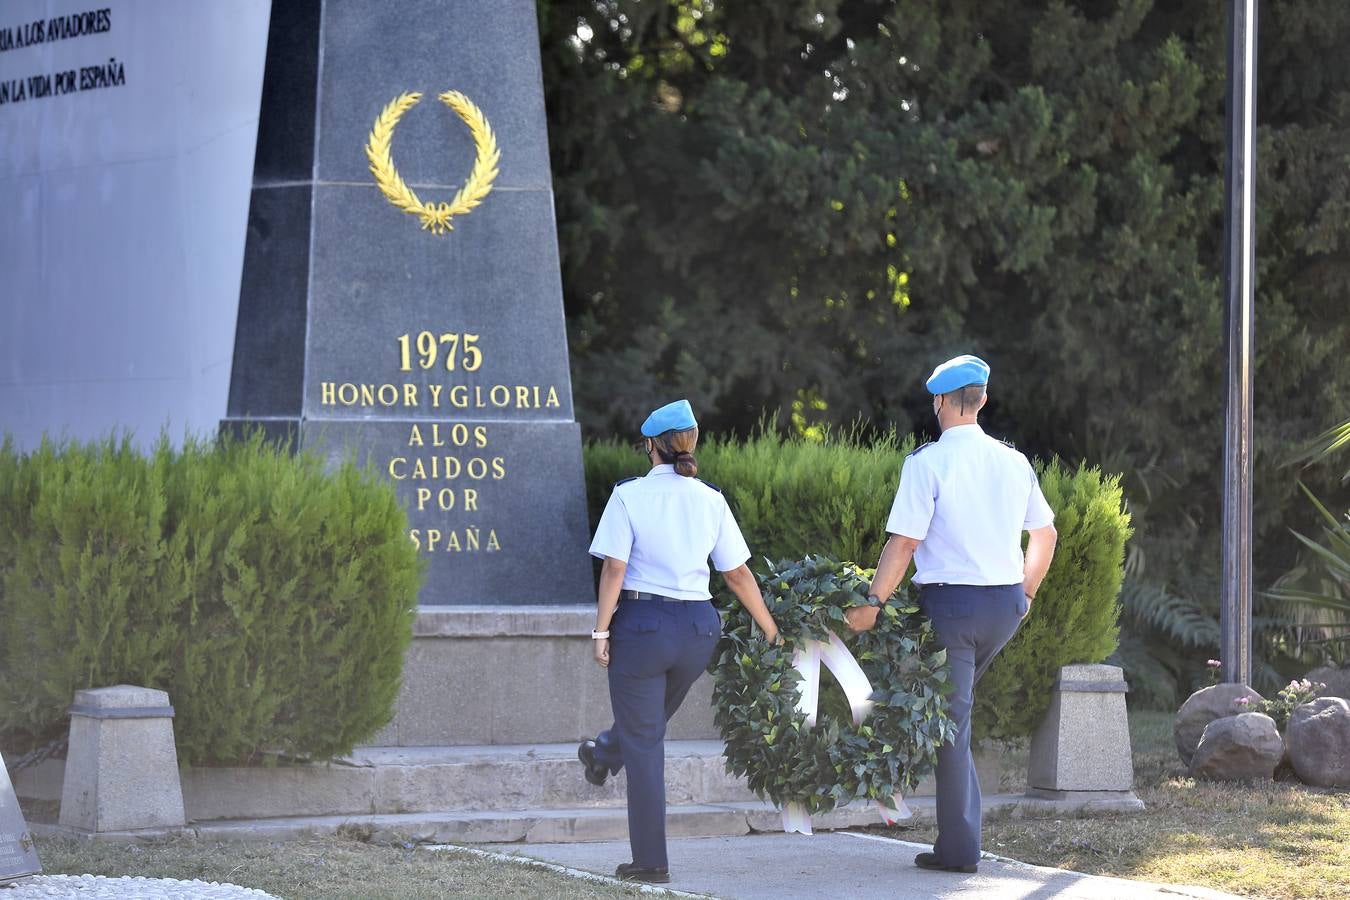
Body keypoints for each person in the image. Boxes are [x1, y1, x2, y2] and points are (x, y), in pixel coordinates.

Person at [845, 354, 1058, 874]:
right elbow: (1046, 534)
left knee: (950, 723)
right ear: (982, 399)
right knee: (952, 716)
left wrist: (873, 602)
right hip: (1005, 605)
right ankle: (961, 839)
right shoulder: (1015, 461)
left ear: (940, 401)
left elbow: (904, 543)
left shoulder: (927, 463)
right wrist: (1026, 594)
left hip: (952, 610)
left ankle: (959, 852)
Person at [579, 399, 780, 884]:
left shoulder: (629, 495)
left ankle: (650, 861)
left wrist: (601, 629)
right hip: (698, 631)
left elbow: (615, 568)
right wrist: (770, 627)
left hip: (644, 627)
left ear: (651, 445)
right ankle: (604, 752)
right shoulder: (710, 498)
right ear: (689, 444)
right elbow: (736, 573)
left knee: (646, 740)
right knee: (643, 727)